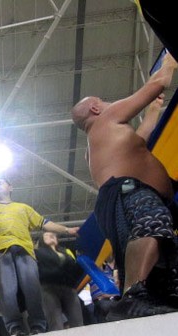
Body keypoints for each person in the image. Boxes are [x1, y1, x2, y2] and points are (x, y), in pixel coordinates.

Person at [71, 52, 178, 319]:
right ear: (95, 108)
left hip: (118, 202)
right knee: (153, 223)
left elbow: (140, 138)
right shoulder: (106, 119)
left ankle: (142, 300)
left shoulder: (100, 142)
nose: (110, 103)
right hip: (130, 193)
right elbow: (157, 83)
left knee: (162, 262)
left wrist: (153, 110)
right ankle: (132, 296)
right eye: (104, 102)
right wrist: (169, 63)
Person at [0, 177, 78, 336]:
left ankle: (38, 326)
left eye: (0, 182)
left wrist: (67, 230)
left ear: (10, 187)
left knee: (32, 289)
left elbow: (44, 223)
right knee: (8, 291)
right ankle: (14, 327)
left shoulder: (23, 208)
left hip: (25, 251)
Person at [35, 232, 84, 331]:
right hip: (48, 288)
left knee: (78, 321)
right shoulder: (38, 252)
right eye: (47, 235)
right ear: (41, 240)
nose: (51, 236)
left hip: (69, 288)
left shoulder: (66, 252)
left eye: (53, 235)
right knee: (55, 322)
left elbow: (75, 270)